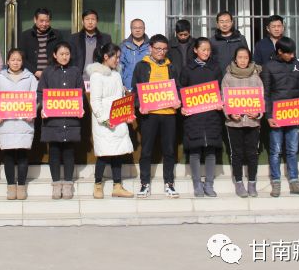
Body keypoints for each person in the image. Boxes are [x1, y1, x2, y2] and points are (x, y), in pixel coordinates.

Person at [260, 36, 299, 197]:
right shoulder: (268, 66)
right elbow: (266, 93)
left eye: (293, 53)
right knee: (275, 151)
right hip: (277, 114)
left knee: (292, 150)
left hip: (294, 114)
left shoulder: (297, 65)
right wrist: (269, 116)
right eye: (288, 53)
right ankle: (276, 183)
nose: (291, 56)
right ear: (280, 52)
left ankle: (294, 182)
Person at [132, 34, 180, 198]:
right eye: (158, 48)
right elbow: (135, 90)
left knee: (169, 150)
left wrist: (178, 101)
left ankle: (169, 183)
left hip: (169, 114)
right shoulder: (141, 66)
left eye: (164, 49)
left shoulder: (171, 67)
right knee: (146, 150)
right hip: (149, 115)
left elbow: (177, 88)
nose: (161, 52)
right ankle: (144, 183)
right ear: (150, 48)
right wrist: (139, 105)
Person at [37, 42, 85, 200]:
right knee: (54, 152)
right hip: (53, 120)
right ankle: (56, 185)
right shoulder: (47, 72)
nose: (64, 57)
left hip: (70, 119)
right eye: (61, 54)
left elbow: (81, 92)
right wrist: (42, 107)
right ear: (54, 55)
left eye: (67, 54)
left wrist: (81, 107)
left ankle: (68, 184)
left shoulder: (75, 71)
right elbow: (40, 93)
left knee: (69, 152)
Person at [87, 43, 135, 199]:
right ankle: (97, 185)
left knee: (118, 153)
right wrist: (104, 119)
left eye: (119, 57)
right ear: (106, 57)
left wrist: (127, 115)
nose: (118, 60)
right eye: (116, 57)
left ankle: (117, 186)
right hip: (105, 121)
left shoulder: (116, 75)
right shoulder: (96, 76)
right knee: (104, 153)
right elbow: (95, 101)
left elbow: (121, 98)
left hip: (118, 118)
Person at [178, 37, 223, 198]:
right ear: (195, 50)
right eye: (203, 49)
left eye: (208, 50)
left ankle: (209, 184)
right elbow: (181, 89)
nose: (206, 52)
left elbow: (221, 89)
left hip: (212, 116)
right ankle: (197, 184)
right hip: (193, 117)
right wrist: (183, 106)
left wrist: (221, 102)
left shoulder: (215, 68)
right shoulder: (187, 69)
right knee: (195, 151)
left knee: (211, 151)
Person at [0, 49, 38, 200]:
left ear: (22, 61)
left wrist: (32, 112)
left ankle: (22, 186)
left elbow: (35, 98)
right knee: (9, 155)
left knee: (23, 155)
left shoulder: (30, 77)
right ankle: (11, 186)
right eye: (12, 59)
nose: (15, 62)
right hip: (6, 123)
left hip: (24, 123)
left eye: (18, 60)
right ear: (7, 61)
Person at [223, 46, 264, 198]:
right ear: (235, 59)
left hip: (252, 122)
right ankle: (239, 183)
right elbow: (224, 99)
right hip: (234, 123)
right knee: (237, 153)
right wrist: (230, 113)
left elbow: (261, 98)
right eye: (240, 57)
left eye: (246, 58)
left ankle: (252, 183)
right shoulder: (228, 77)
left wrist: (258, 113)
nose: (242, 60)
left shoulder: (256, 77)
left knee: (253, 153)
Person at [18, 8, 59, 80]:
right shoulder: (26, 36)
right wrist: (35, 72)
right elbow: (22, 58)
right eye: (41, 21)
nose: (44, 24)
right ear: (35, 20)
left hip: (52, 75)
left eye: (47, 21)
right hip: (30, 76)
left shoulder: (56, 35)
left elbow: (60, 56)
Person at [69, 9, 111, 78]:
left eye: (93, 19)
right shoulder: (74, 38)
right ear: (83, 21)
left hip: (100, 77)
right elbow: (71, 59)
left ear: (97, 21)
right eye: (87, 19)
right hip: (79, 78)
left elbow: (109, 58)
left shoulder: (106, 38)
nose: (90, 22)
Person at [119, 18, 150, 91]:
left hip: (147, 87)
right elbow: (119, 67)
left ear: (144, 29)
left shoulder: (151, 46)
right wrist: (121, 85)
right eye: (135, 28)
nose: (137, 30)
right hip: (128, 87)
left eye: (140, 28)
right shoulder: (124, 46)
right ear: (131, 29)